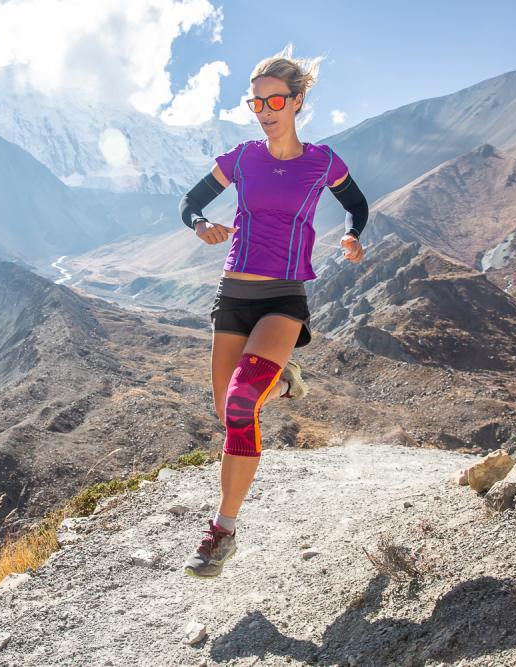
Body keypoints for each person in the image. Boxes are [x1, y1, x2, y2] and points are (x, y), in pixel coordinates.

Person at [178, 46, 370, 578]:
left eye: (275, 100)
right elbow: (188, 202)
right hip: (233, 297)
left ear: (298, 101)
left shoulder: (322, 162)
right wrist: (199, 224)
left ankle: (223, 530)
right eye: (255, 101)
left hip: (285, 297)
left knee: (241, 404)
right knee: (229, 415)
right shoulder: (240, 158)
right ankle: (283, 381)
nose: (264, 110)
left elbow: (356, 204)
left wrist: (353, 234)